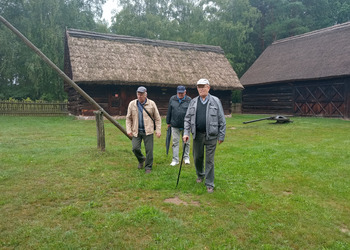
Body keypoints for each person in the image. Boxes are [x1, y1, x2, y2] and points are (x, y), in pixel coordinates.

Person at [183, 79, 226, 193]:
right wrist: (186, 133)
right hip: (197, 135)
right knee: (197, 158)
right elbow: (187, 118)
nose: (201, 89)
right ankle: (200, 175)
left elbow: (222, 119)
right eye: (199, 87)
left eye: (203, 86)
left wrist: (221, 136)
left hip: (211, 135)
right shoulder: (193, 102)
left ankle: (209, 183)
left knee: (209, 160)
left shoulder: (215, 101)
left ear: (208, 87)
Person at [126, 86, 161, 174]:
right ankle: (141, 159)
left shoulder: (151, 104)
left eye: (141, 94)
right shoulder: (132, 104)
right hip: (136, 131)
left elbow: (157, 118)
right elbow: (128, 118)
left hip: (148, 131)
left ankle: (148, 167)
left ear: (146, 95)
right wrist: (128, 129)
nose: (139, 96)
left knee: (149, 150)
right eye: (138, 94)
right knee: (135, 148)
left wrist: (158, 130)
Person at [166, 85, 192, 166]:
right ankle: (175, 159)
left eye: (182, 93)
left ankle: (186, 157)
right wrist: (168, 122)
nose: (180, 94)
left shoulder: (189, 100)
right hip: (174, 124)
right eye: (179, 93)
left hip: (186, 125)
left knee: (186, 142)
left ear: (185, 92)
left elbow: (191, 112)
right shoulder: (172, 99)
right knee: (175, 142)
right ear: (177, 92)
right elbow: (169, 110)